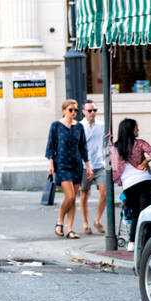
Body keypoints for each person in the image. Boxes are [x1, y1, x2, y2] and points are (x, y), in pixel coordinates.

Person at [45, 98, 91, 239]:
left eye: (76, 110)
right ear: (64, 110)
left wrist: (88, 167)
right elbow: (51, 146)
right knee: (70, 196)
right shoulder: (56, 126)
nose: (74, 112)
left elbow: (83, 147)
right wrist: (51, 164)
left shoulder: (79, 127)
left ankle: (70, 229)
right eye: (71, 110)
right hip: (62, 164)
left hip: (76, 165)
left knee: (73, 199)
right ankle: (60, 221)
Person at [111, 117, 151, 247]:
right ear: (131, 130)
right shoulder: (139, 143)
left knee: (136, 213)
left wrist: (121, 182)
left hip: (129, 185)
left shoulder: (115, 147)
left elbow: (115, 171)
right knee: (146, 212)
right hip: (145, 181)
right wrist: (145, 161)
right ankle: (146, 241)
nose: (138, 130)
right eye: (136, 127)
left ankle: (132, 242)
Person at [78, 100, 108, 235]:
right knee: (84, 193)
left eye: (94, 110)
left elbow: (106, 144)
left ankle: (97, 221)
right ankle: (85, 224)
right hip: (84, 165)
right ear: (83, 112)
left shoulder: (101, 125)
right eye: (89, 111)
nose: (92, 113)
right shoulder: (79, 126)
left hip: (99, 164)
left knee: (105, 192)